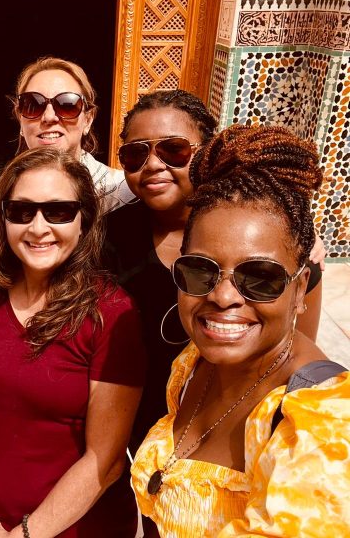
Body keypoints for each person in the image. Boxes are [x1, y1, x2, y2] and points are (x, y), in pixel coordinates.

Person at [131, 124, 349, 537]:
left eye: (260, 277)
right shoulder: (194, 362)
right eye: (200, 271)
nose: (224, 296)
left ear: (300, 288)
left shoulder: (322, 427)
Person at [104, 90, 325, 457]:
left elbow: (293, 355)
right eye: (135, 153)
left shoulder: (277, 243)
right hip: (148, 430)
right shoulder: (110, 237)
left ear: (205, 151)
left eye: (173, 150)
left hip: (239, 434)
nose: (153, 164)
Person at [0, 148, 145, 537]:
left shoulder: (111, 313)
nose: (38, 228)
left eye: (58, 211)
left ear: (84, 219)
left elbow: (104, 462)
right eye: (22, 211)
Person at [0, 56, 135, 212]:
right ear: (20, 119)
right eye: (33, 105)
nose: (49, 117)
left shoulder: (123, 194)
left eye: (67, 105)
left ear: (88, 120)